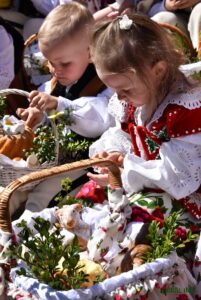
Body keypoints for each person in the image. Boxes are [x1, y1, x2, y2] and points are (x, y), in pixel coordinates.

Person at [88, 12, 201, 295]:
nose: (120, 97)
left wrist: (127, 169)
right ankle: (100, 271)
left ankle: (156, 279)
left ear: (158, 70)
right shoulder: (136, 100)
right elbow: (123, 134)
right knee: (93, 200)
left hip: (188, 201)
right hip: (154, 191)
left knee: (136, 225)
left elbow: (180, 178)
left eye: (124, 89)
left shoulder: (182, 111)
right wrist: (114, 154)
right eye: (113, 90)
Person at [11, 2, 115, 218]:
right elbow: (47, 106)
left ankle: (21, 239)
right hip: (53, 153)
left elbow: (101, 116)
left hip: (81, 161)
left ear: (91, 51)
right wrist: (37, 116)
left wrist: (59, 104)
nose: (55, 70)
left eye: (64, 64)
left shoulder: (105, 80)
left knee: (42, 199)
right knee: (14, 186)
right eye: (50, 62)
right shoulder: (58, 79)